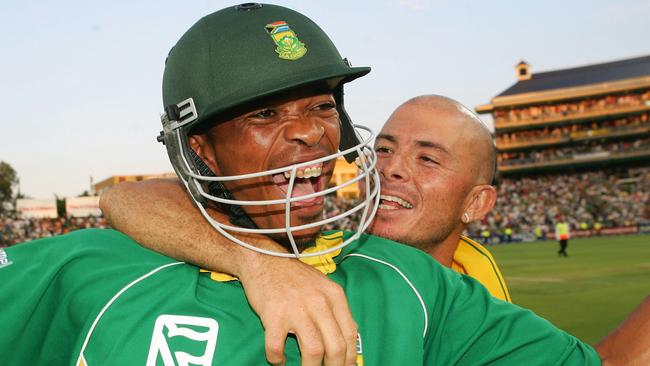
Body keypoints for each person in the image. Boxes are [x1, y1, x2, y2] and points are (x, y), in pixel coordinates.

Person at [3, 4, 648, 366]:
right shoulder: (88, 267)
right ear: (200, 149)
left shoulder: (413, 283)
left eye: (319, 107)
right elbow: (126, 199)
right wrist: (254, 261)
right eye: (264, 114)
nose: (310, 134)